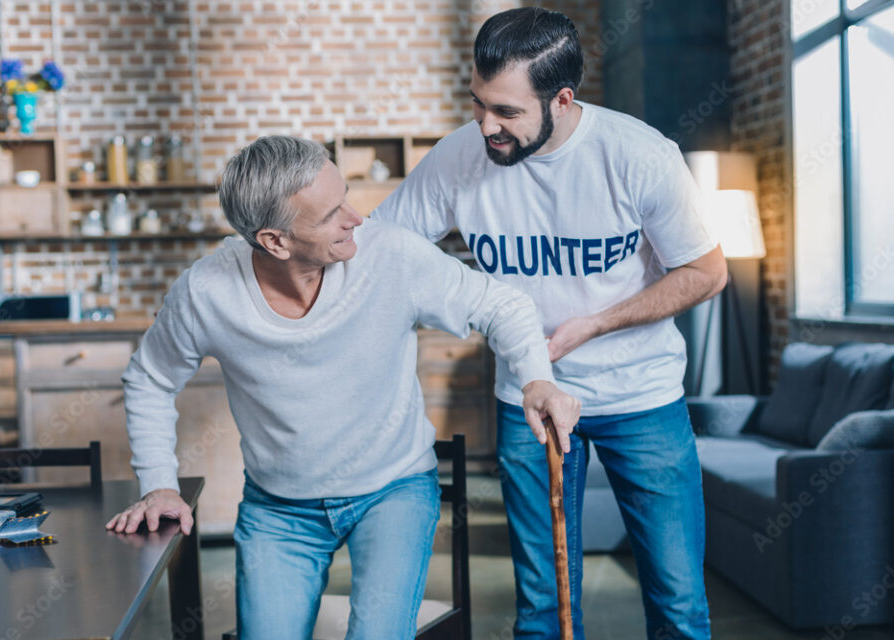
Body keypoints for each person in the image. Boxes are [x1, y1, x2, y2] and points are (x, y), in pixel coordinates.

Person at [105, 135, 581, 639]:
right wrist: (159, 483)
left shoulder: (390, 255)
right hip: (279, 508)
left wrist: (536, 380)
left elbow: (502, 306)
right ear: (275, 241)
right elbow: (150, 378)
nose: (356, 218)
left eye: (346, 198)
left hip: (392, 491)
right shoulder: (206, 292)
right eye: (331, 213)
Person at [371, 7, 727, 640]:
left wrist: (592, 325)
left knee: (678, 605)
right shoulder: (460, 155)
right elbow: (380, 249)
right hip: (527, 401)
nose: (487, 125)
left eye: (507, 112)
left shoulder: (640, 156)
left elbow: (705, 272)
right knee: (541, 608)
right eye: (479, 103)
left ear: (562, 100)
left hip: (640, 397)